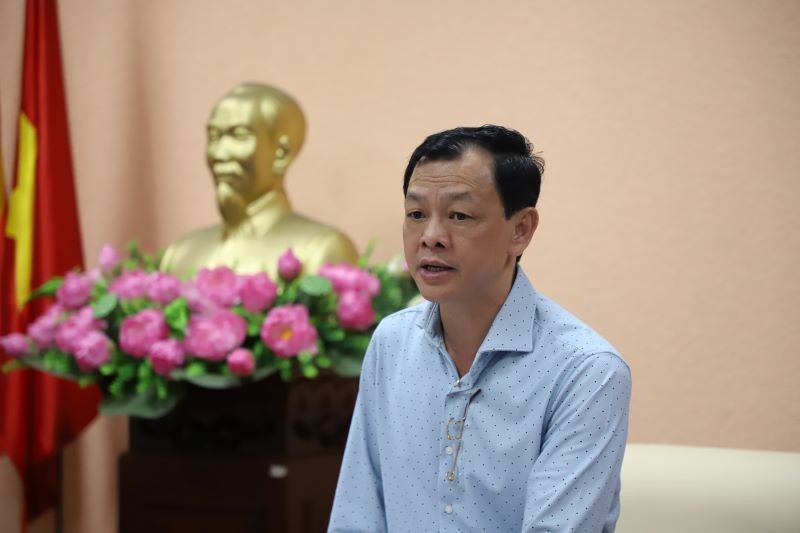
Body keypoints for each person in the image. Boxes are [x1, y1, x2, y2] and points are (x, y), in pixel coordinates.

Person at [329, 125, 631, 532]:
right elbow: (356, 515)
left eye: (459, 216)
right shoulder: (392, 342)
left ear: (520, 230)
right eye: (416, 214)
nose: (431, 237)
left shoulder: (587, 371)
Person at [161, 83, 358, 278]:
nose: (218, 154)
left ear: (281, 153)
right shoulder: (181, 253)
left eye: (239, 136)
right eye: (213, 136)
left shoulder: (319, 249)